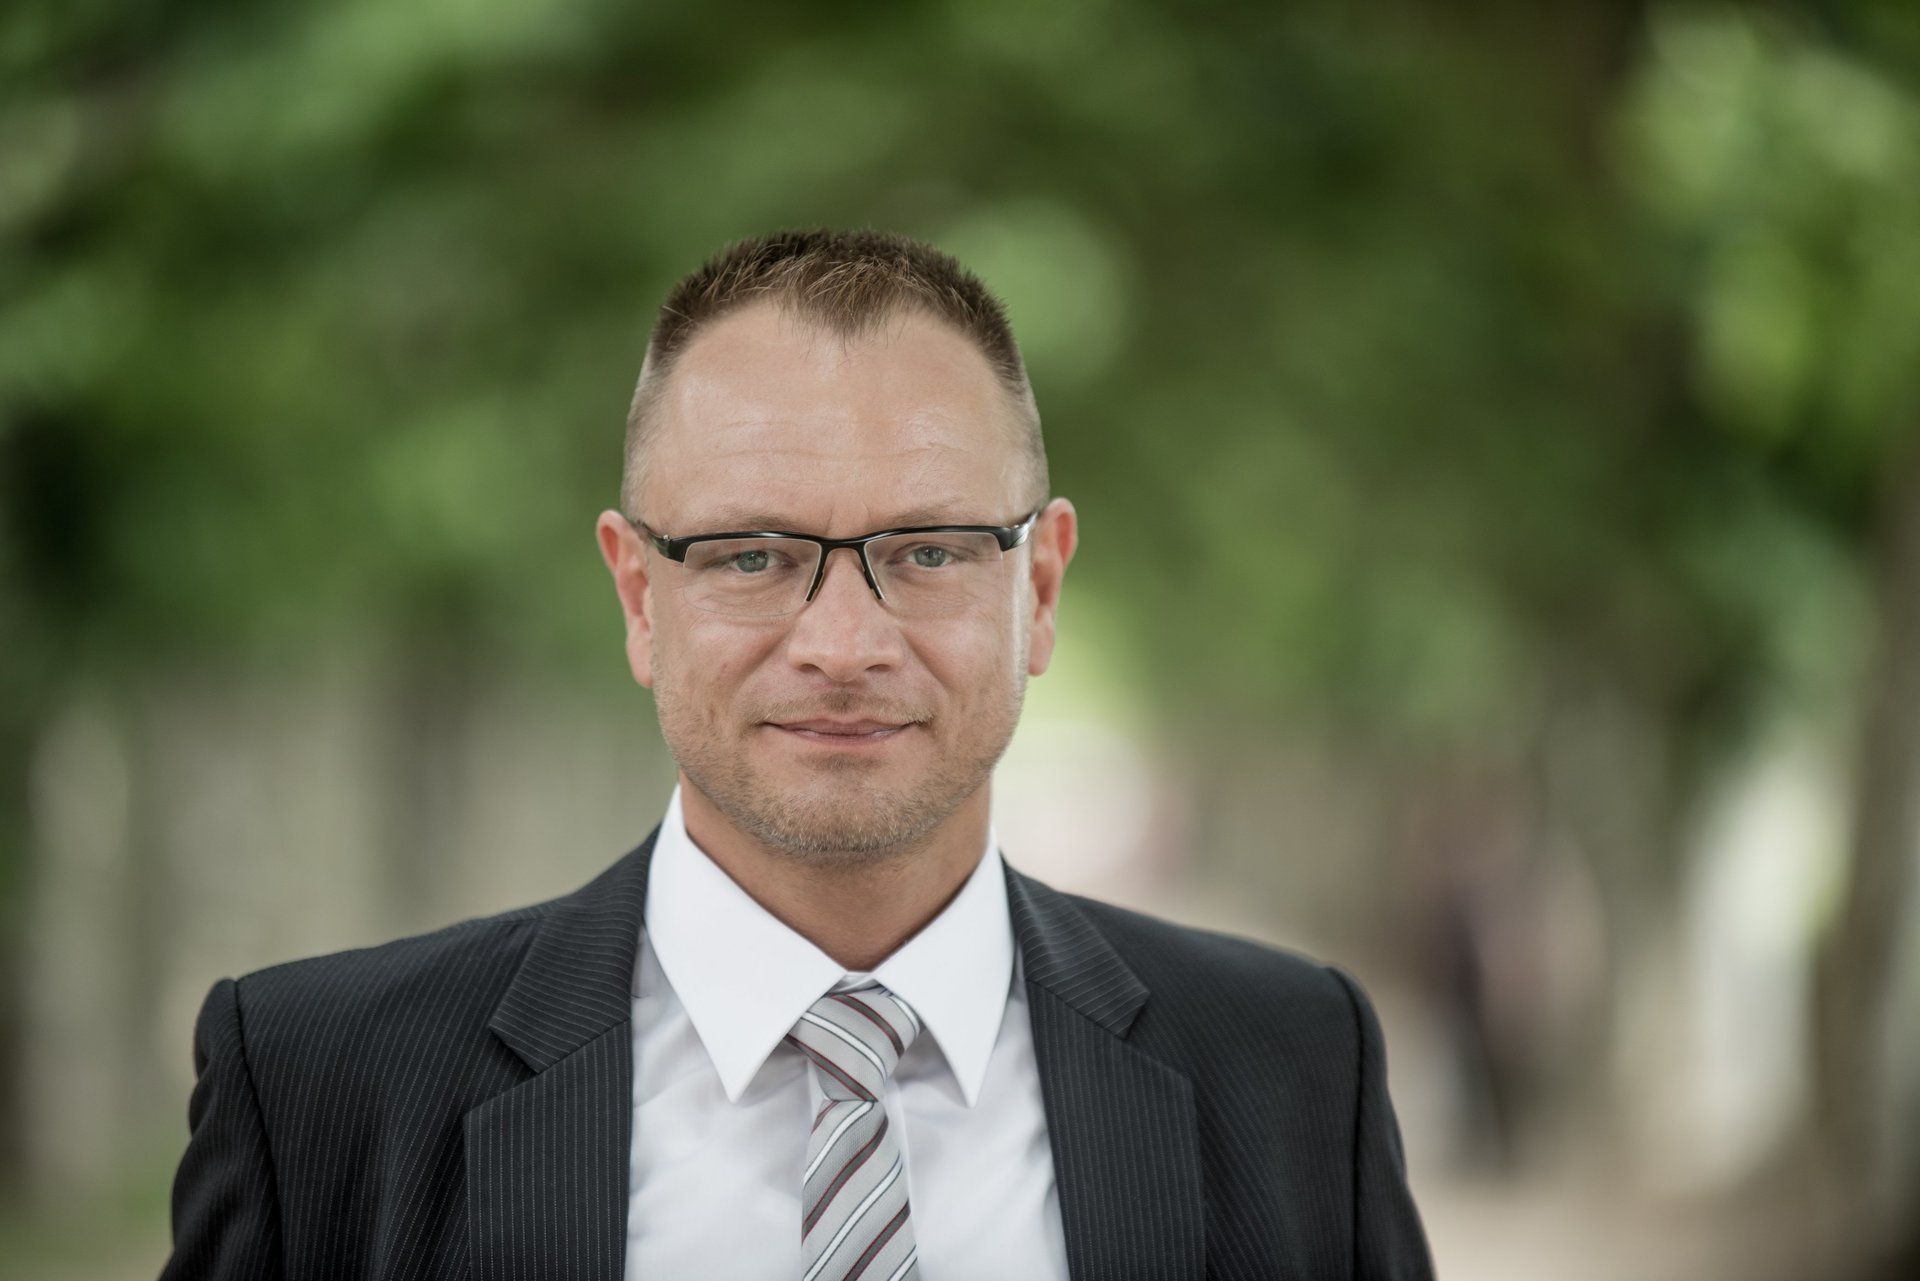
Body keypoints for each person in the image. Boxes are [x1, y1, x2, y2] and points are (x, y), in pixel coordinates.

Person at [159, 228, 1436, 1280]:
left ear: (1040, 588)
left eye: (927, 551)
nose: (842, 644)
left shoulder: (1294, 1066)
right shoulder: (318, 1085)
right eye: (751, 556)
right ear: (639, 597)